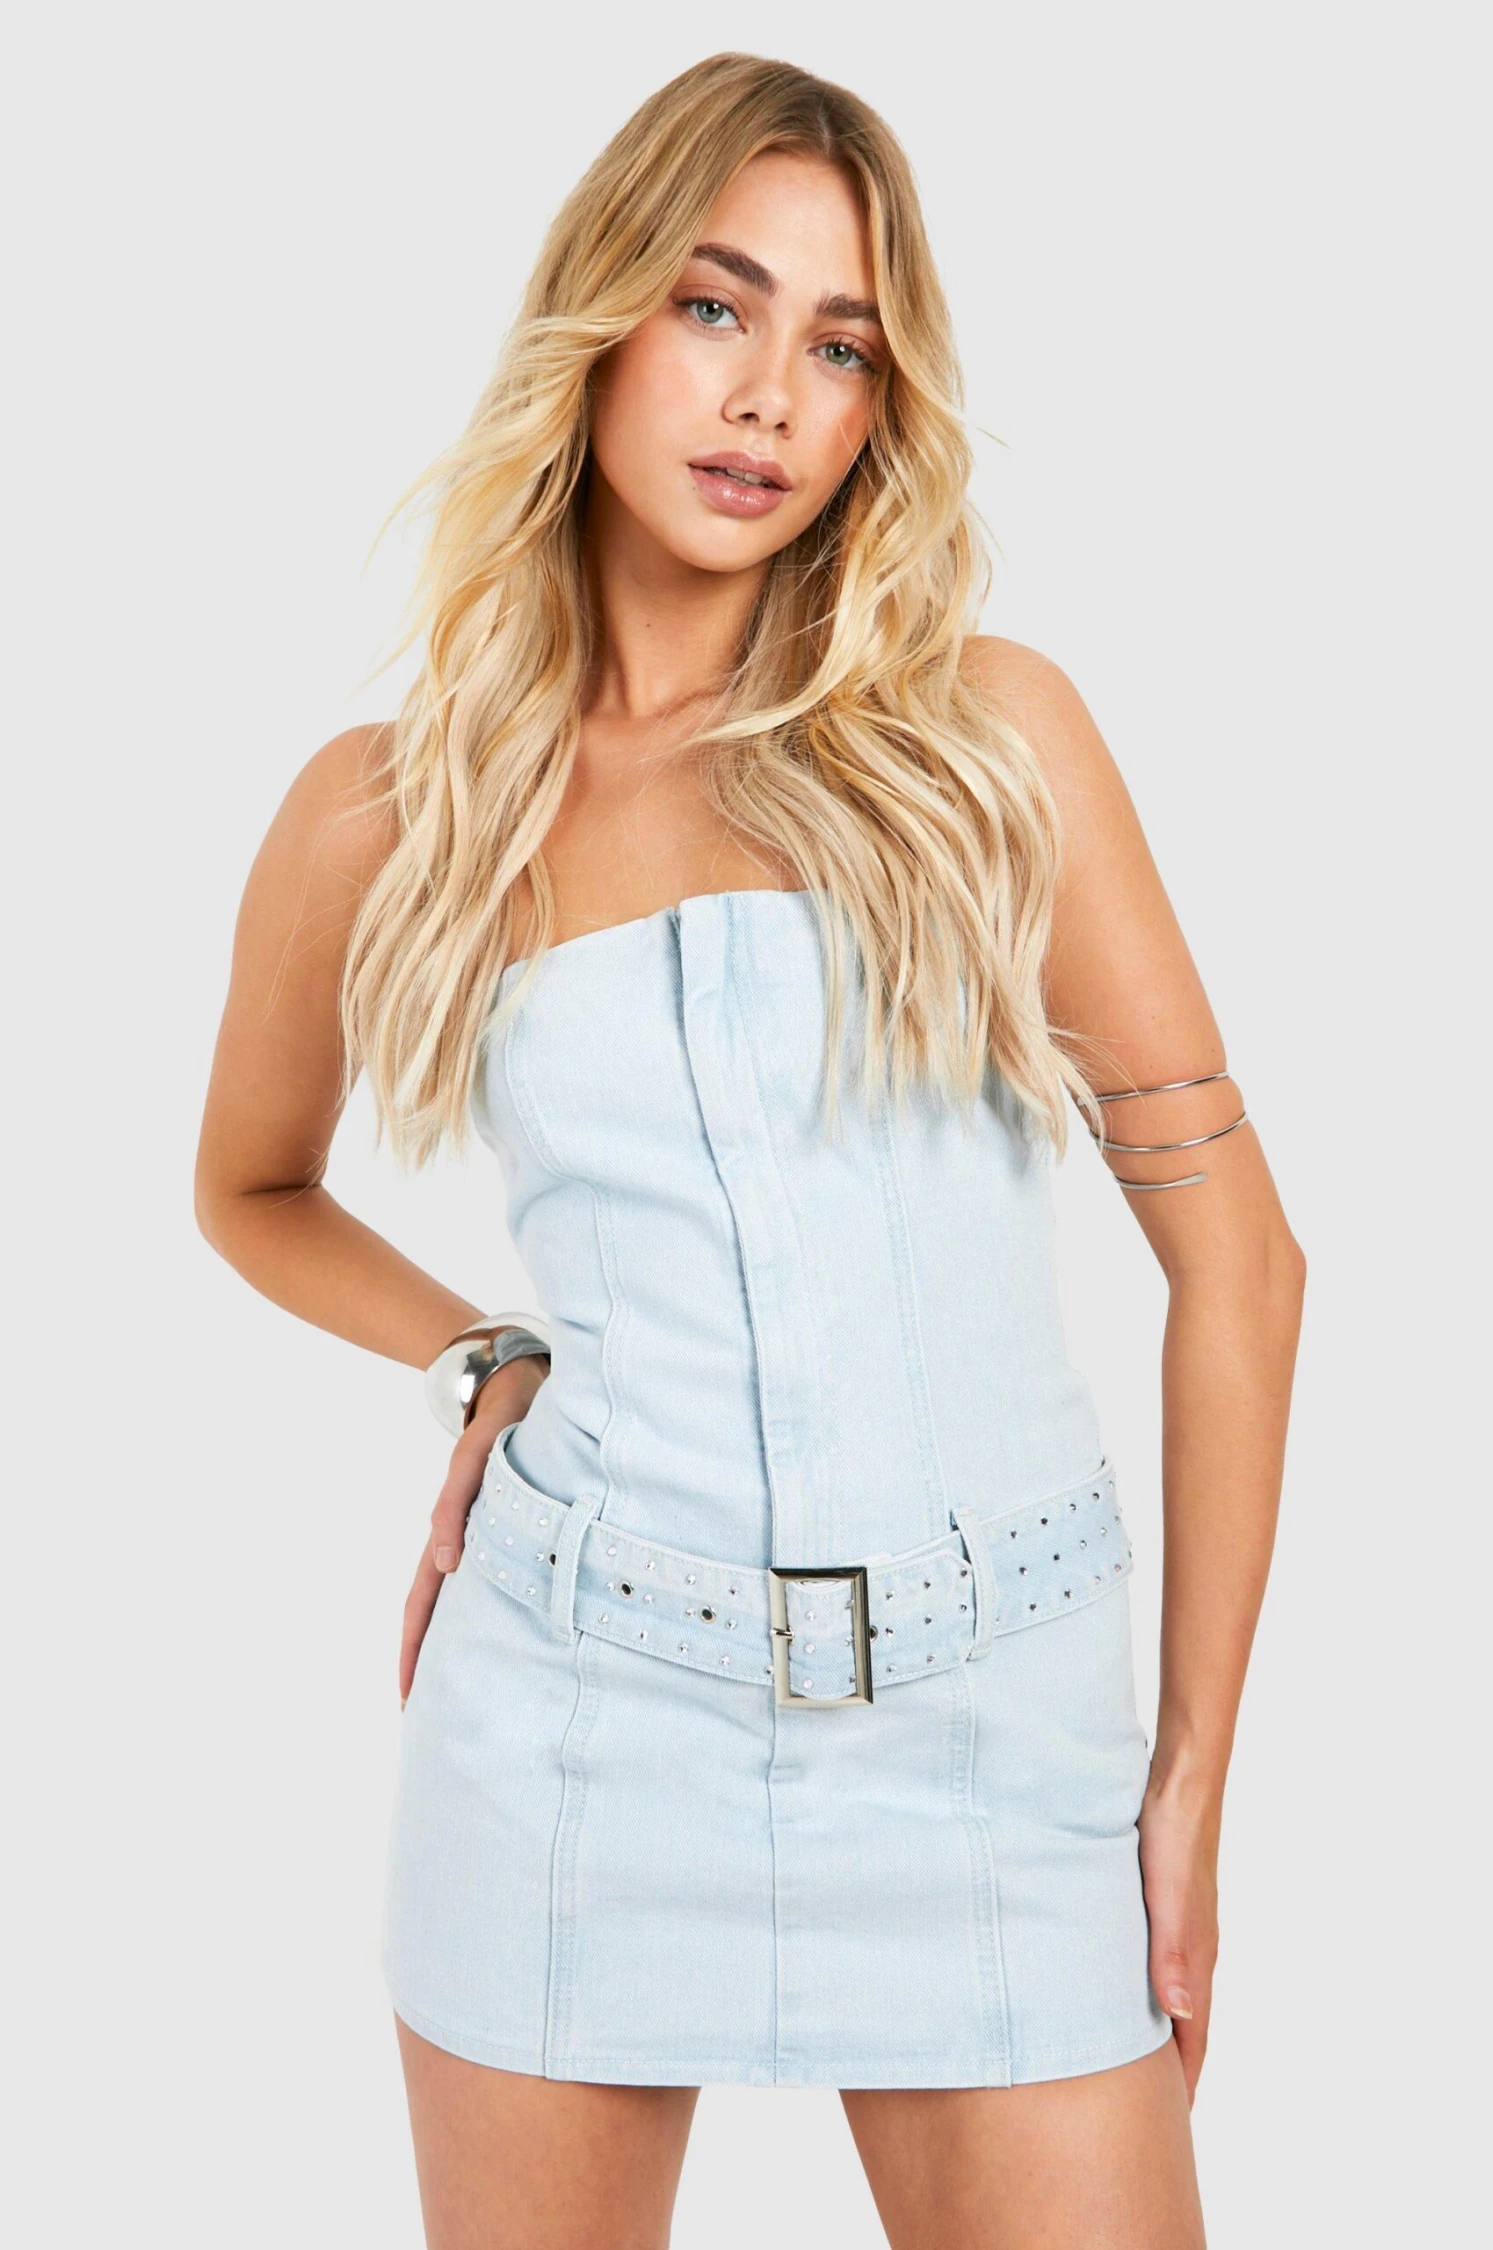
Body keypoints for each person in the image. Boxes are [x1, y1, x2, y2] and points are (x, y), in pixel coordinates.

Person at [194, 51, 1304, 2250]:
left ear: (884, 407)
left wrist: (1187, 1780)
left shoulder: (986, 747)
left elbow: (1245, 1266)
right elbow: (249, 1188)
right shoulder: (388, 811)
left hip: (997, 1741)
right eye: (715, 305)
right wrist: (483, 1353)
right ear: (600, 315)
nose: (769, 397)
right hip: (574, 1729)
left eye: (842, 345)